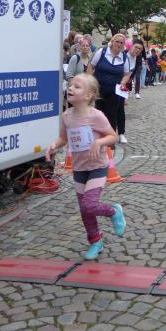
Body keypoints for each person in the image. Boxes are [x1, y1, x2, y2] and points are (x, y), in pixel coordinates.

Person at [45, 73, 125, 260]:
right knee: (85, 209)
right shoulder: (66, 115)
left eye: (77, 86)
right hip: (79, 168)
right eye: (70, 85)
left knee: (89, 204)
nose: (70, 88)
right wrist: (53, 145)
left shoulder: (96, 116)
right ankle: (95, 241)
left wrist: (99, 142)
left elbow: (112, 136)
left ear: (89, 95)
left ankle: (114, 211)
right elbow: (63, 138)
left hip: (97, 166)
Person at [88, 35, 142, 145]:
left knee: (112, 115)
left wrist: (122, 83)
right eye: (117, 41)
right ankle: (95, 139)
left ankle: (109, 142)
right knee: (97, 114)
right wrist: (89, 81)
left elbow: (127, 74)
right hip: (98, 89)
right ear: (112, 42)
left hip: (114, 91)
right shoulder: (102, 52)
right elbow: (91, 66)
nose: (119, 44)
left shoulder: (124, 57)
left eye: (121, 43)